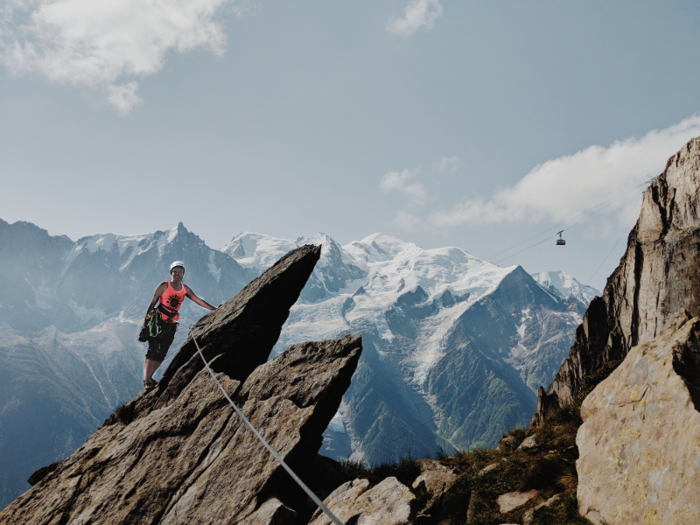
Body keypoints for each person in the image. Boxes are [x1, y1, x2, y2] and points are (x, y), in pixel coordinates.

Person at [141, 261, 217, 390]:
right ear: (171, 273)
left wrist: (214, 309)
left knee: (163, 352)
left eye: (180, 271)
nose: (177, 274)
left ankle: (150, 378)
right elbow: (152, 302)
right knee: (153, 350)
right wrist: (146, 321)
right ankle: (146, 381)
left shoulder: (184, 289)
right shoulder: (164, 286)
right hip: (158, 321)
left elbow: (198, 300)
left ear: (183, 274)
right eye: (175, 271)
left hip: (171, 323)